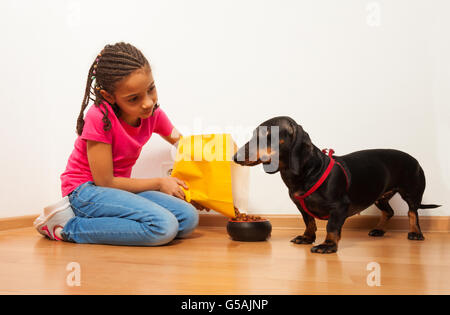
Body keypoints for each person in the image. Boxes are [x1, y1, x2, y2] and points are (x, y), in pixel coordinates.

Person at [33, 42, 199, 246]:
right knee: (163, 226)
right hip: (84, 191)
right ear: (109, 96)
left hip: (117, 190)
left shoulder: (153, 114)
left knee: (188, 218)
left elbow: (185, 145)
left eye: (151, 89)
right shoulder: (99, 117)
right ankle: (66, 227)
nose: (147, 102)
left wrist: (207, 181)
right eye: (133, 98)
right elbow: (105, 182)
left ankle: (102, 222)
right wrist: (159, 183)